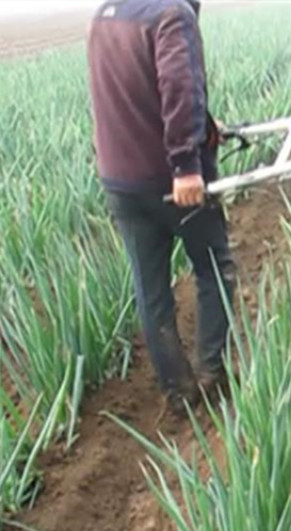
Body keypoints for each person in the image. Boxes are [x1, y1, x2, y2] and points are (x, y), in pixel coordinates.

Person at [87, 0, 235, 415]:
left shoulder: (106, 12)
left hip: (121, 181)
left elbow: (134, 88)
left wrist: (204, 126)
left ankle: (178, 391)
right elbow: (179, 87)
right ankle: (211, 375)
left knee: (151, 291)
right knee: (215, 269)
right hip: (172, 182)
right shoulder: (173, 14)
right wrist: (187, 165)